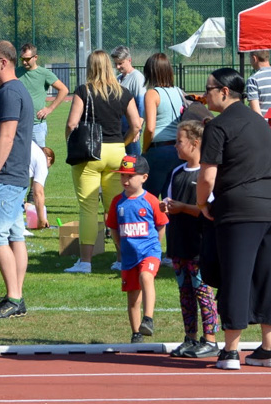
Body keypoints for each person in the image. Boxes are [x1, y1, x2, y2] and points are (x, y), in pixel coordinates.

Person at [197, 68, 271, 370]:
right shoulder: (261, 123)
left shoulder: (218, 126)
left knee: (235, 276)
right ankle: (269, 348)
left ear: (223, 91)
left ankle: (231, 350)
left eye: (208, 89)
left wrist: (202, 203)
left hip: (239, 209)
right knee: (267, 276)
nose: (204, 94)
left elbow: (207, 176)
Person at [65, 50, 141, 274]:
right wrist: (123, 143)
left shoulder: (84, 91)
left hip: (89, 154)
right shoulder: (123, 92)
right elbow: (136, 125)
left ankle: (85, 262)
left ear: (90, 67)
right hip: (116, 152)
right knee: (116, 207)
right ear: (109, 66)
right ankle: (120, 259)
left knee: (88, 207)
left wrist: (70, 143)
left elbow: (71, 124)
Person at [0, 40, 34, 319]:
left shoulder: (10, 93)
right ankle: (16, 296)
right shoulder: (14, 90)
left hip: (6, 176)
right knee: (15, 236)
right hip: (15, 176)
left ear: (3, 62)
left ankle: (14, 297)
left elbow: (7, 135)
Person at [162, 120, 219, 359]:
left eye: (179, 141)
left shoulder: (207, 172)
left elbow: (208, 209)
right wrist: (166, 206)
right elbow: (168, 201)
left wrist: (183, 207)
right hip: (178, 244)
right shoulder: (176, 172)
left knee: (202, 292)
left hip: (199, 245)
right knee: (184, 293)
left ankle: (211, 340)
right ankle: (190, 338)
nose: (175, 145)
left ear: (195, 143)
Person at [105, 155, 169, 344]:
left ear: (144, 177)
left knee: (146, 277)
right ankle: (136, 333)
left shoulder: (151, 201)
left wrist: (155, 246)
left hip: (149, 252)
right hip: (129, 255)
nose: (125, 180)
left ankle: (148, 319)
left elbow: (161, 225)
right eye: (122, 176)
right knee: (133, 297)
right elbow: (114, 228)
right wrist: (120, 246)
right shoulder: (118, 202)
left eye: (130, 176)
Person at [141, 53, 184, 198]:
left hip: (158, 149)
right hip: (178, 150)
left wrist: (145, 149)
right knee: (170, 198)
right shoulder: (179, 91)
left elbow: (150, 128)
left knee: (147, 197)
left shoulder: (152, 94)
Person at [16, 43, 69, 148]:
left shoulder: (44, 73)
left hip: (37, 124)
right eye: (22, 59)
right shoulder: (16, 72)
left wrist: (50, 108)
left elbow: (63, 90)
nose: (24, 62)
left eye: (27, 59)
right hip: (18, 123)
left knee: (40, 157)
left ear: (35, 57)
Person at [111, 46, 145, 156]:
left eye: (120, 63)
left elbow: (141, 104)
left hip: (130, 130)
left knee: (133, 165)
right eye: (116, 64)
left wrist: (137, 130)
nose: (117, 66)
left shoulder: (137, 77)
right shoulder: (118, 78)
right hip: (118, 129)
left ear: (129, 60)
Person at [27, 143, 53, 229]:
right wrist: (41, 220)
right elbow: (38, 192)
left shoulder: (33, 148)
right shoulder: (41, 159)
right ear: (49, 158)